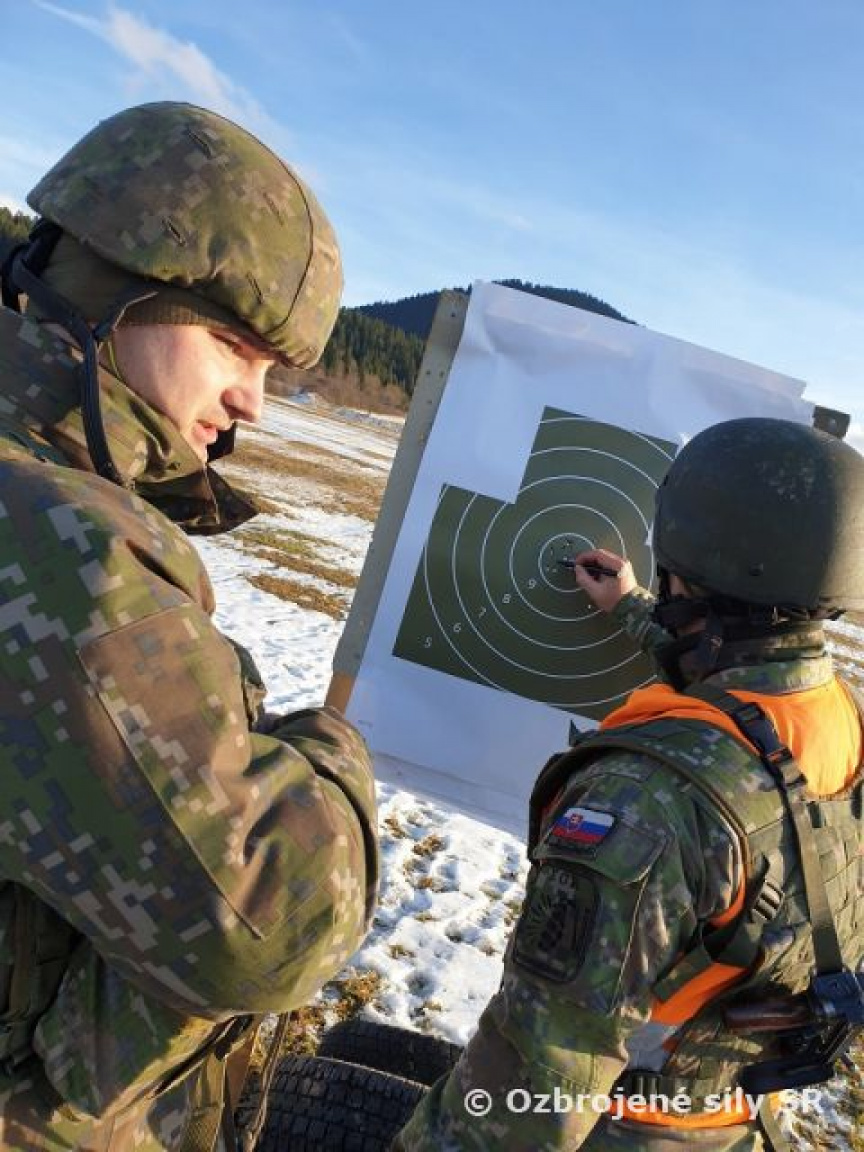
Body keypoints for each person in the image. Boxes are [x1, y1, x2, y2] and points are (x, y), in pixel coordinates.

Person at [0, 102, 378, 1151]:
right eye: (232, 345)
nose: (253, 402)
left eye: (273, 371)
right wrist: (332, 749)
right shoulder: (63, 544)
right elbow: (265, 923)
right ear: (113, 294)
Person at [394, 416, 864, 1151]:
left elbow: (538, 1087)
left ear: (689, 556)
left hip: (623, 1127)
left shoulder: (643, 801)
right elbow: (737, 692)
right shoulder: (835, 716)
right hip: (733, 1120)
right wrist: (638, 611)